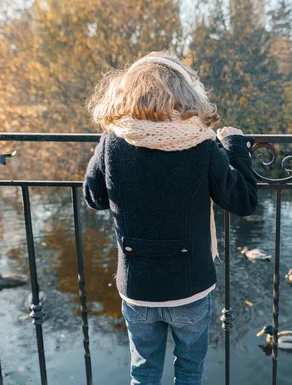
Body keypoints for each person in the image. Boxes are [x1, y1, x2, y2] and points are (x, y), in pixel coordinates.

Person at [83, 51, 257, 385]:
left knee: (143, 371)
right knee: (190, 371)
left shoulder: (112, 142)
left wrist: (105, 150)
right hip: (190, 287)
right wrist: (235, 147)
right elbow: (244, 200)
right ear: (186, 93)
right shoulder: (203, 145)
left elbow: (94, 198)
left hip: (136, 286)